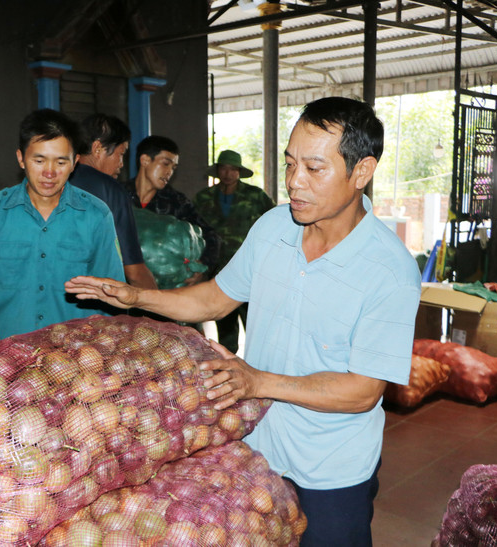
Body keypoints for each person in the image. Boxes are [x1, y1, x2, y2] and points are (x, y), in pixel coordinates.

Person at [66, 97, 422, 546]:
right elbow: (215, 299)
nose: (294, 182)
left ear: (362, 171)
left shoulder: (388, 269)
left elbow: (363, 390)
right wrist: (139, 296)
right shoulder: (274, 227)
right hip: (258, 450)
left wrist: (256, 382)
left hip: (330, 471)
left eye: (315, 169)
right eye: (290, 164)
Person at [0, 108, 125, 338]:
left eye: (61, 162)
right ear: (21, 158)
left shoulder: (96, 216)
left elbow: (111, 295)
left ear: (75, 163)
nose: (49, 172)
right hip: (5, 360)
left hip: (74, 362)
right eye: (39, 160)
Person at [194, 150, 274, 353]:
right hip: (220, 272)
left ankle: (260, 370)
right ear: (218, 170)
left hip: (252, 271)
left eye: (233, 169)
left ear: (239, 172)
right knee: (225, 326)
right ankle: (229, 369)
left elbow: (276, 223)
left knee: (258, 326)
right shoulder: (203, 197)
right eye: (224, 168)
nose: (228, 173)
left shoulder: (255, 196)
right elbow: (192, 230)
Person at [68, 114, 157, 290]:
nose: (121, 164)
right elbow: (134, 271)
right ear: (97, 148)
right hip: (95, 299)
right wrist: (160, 307)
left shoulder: (54, 181)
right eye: (121, 153)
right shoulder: (110, 189)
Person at [124, 135, 220, 285]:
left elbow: (212, 236)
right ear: (145, 160)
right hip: (123, 283)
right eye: (165, 164)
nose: (169, 172)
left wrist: (202, 267)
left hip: (161, 291)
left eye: (173, 167)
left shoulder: (176, 202)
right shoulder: (119, 196)